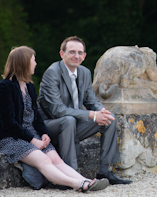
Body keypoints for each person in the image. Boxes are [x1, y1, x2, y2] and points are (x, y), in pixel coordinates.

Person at [0, 45, 109, 192]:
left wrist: (43, 134)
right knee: (45, 160)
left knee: (56, 160)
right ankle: (78, 185)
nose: (35, 64)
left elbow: (36, 116)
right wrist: (32, 140)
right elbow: (8, 123)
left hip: (32, 135)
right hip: (11, 138)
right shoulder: (5, 87)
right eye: (33, 60)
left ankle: (84, 180)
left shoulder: (28, 86)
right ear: (23, 63)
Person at [38, 36, 132, 185]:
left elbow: (90, 100)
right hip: (50, 128)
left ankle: (104, 172)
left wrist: (101, 111)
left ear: (84, 56)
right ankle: (71, 175)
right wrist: (92, 114)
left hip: (73, 125)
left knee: (109, 119)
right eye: (72, 52)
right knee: (68, 120)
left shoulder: (85, 73)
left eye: (80, 52)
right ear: (62, 54)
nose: (76, 56)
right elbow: (57, 110)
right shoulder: (52, 73)